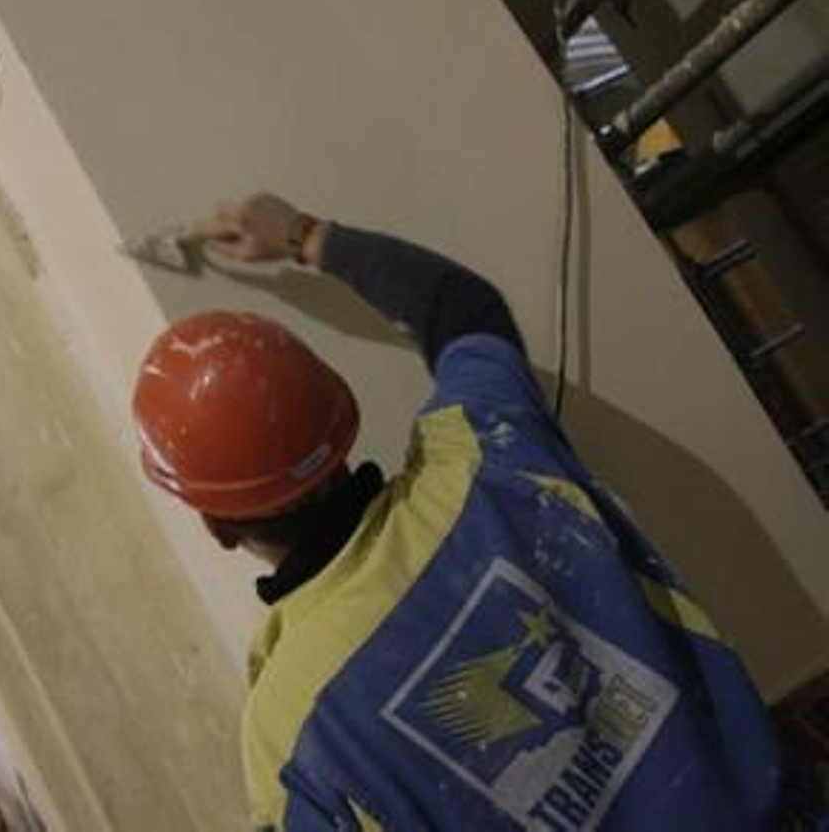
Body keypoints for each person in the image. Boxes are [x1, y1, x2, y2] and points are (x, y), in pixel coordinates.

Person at [131, 193, 788, 830]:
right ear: (339, 424)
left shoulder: (290, 729)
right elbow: (463, 309)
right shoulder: (486, 452)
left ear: (216, 525)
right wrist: (303, 232)